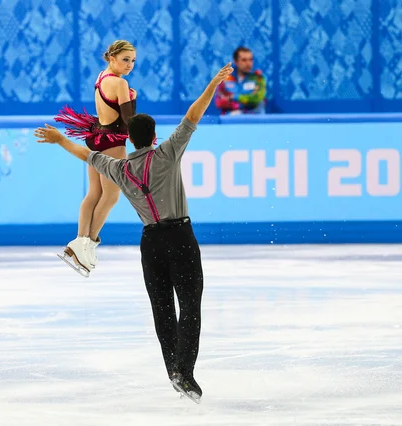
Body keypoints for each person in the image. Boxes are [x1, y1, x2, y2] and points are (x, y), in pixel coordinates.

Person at [35, 63, 235, 404]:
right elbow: (192, 114)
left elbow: (86, 153)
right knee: (189, 307)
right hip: (180, 238)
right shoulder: (168, 152)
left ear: (128, 138)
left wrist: (58, 139)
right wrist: (213, 83)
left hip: (150, 244)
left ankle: (173, 370)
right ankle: (184, 372)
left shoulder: (119, 167)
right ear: (153, 136)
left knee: (162, 310)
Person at [54, 40, 137, 276]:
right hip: (112, 143)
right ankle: (86, 244)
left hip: (96, 138)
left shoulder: (102, 77)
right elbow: (129, 120)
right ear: (112, 58)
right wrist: (132, 98)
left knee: (94, 194)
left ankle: (79, 242)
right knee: (110, 196)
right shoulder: (120, 83)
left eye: (132, 61)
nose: (130, 65)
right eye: (125, 59)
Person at [215, 46, 266, 115]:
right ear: (236, 62)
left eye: (250, 60)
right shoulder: (225, 79)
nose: (248, 63)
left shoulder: (258, 78)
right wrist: (239, 104)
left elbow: (257, 98)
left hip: (254, 121)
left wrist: (233, 97)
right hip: (229, 121)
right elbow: (219, 102)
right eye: (244, 60)